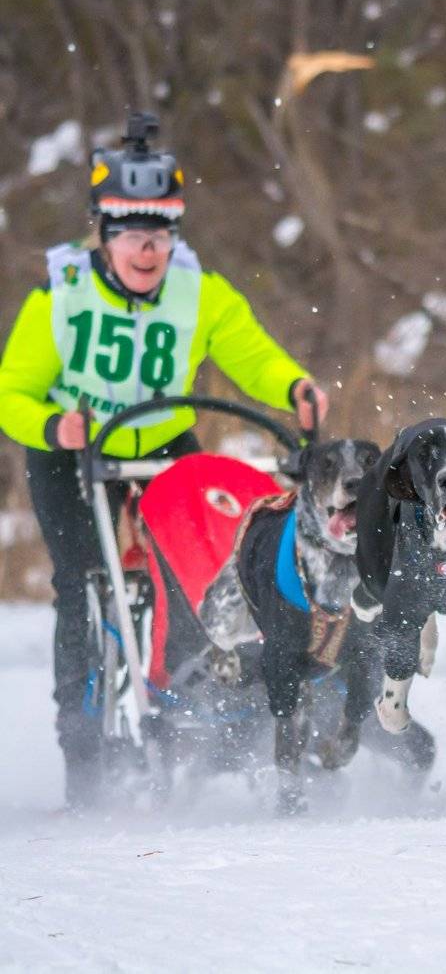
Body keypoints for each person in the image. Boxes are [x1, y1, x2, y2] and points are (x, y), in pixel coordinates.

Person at [0, 112, 328, 809]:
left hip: (164, 444)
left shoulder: (198, 291)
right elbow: (10, 392)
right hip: (73, 447)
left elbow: (252, 355)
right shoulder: (59, 294)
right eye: (131, 236)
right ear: (104, 235)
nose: (147, 252)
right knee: (83, 583)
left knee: (211, 564)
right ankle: (83, 746)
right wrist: (53, 425)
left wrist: (294, 387)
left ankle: (198, 693)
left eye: (160, 236)